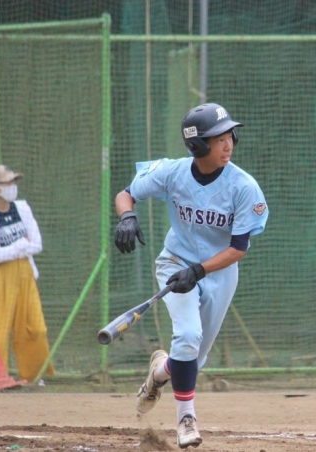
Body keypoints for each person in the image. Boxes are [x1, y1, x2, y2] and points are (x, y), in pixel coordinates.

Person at [113, 103, 268, 449]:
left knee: (193, 358)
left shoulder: (243, 187)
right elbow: (126, 194)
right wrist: (127, 217)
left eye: (230, 136)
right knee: (187, 336)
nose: (228, 144)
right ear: (197, 145)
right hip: (175, 262)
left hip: (219, 272)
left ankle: (160, 372)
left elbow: (238, 249)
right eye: (218, 138)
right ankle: (186, 419)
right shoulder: (173, 172)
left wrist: (198, 271)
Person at [0, 165, 54, 382]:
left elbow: (37, 244)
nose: (13, 187)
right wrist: (21, 244)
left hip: (25, 272)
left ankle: (35, 375)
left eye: (14, 182)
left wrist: (16, 248)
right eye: (8, 183)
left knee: (35, 327)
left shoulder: (22, 208)